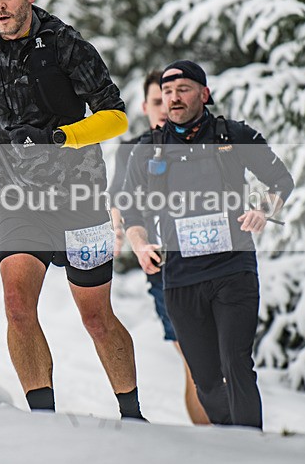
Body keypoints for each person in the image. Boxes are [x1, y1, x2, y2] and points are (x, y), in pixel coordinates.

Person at [0, 0, 144, 419]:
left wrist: (60, 137)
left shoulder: (66, 45)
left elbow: (115, 115)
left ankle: (133, 413)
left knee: (96, 317)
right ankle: (42, 418)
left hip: (80, 197)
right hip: (20, 201)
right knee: (17, 307)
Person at [123, 60, 294, 429]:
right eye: (167, 92)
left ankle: (251, 448)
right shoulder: (148, 148)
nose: (174, 98)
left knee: (236, 365)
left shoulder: (232, 135)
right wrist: (139, 245)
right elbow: (130, 211)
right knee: (205, 379)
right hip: (181, 277)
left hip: (233, 269)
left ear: (204, 93)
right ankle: (229, 440)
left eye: (183, 89)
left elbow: (281, 180)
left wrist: (263, 211)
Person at [108, 71, 210, 425]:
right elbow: (119, 197)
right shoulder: (134, 150)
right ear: (145, 107)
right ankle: (216, 443)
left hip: (212, 262)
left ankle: (228, 440)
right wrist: (118, 232)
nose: (165, 106)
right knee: (195, 361)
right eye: (156, 101)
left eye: (169, 98)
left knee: (216, 361)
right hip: (165, 271)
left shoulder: (203, 141)